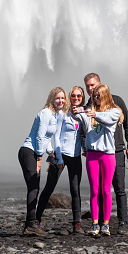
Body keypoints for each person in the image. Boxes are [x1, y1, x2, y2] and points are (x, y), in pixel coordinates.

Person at [84, 73, 128, 235]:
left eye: (93, 85)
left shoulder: (117, 101)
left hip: (117, 150)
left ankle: (123, 222)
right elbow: (85, 127)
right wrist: (86, 146)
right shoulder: (90, 104)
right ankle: (99, 223)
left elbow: (127, 124)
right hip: (96, 153)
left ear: (100, 84)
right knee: (98, 189)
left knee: (119, 188)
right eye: (88, 86)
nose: (91, 89)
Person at [73, 84, 123, 236]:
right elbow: (77, 115)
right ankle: (95, 224)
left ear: (105, 96)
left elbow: (108, 120)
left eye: (98, 96)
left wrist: (93, 113)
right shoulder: (89, 113)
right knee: (94, 190)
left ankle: (105, 225)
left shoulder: (114, 111)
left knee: (106, 190)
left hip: (108, 155)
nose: (96, 99)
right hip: (92, 155)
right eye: (94, 96)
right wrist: (76, 108)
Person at [35, 86, 85, 234]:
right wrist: (59, 156)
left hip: (75, 157)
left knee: (75, 190)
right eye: (73, 96)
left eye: (79, 96)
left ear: (82, 99)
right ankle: (35, 220)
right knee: (49, 188)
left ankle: (77, 224)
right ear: (70, 97)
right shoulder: (63, 114)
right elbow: (56, 136)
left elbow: (84, 135)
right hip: (60, 155)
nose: (76, 98)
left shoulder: (83, 115)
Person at [18, 87, 67, 236]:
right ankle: (32, 224)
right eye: (58, 98)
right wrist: (39, 158)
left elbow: (47, 139)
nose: (61, 101)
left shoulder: (55, 115)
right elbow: (39, 137)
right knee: (33, 188)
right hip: (28, 152)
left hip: (35, 152)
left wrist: (51, 152)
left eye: (63, 98)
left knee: (35, 188)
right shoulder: (46, 113)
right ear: (52, 99)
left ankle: (30, 225)